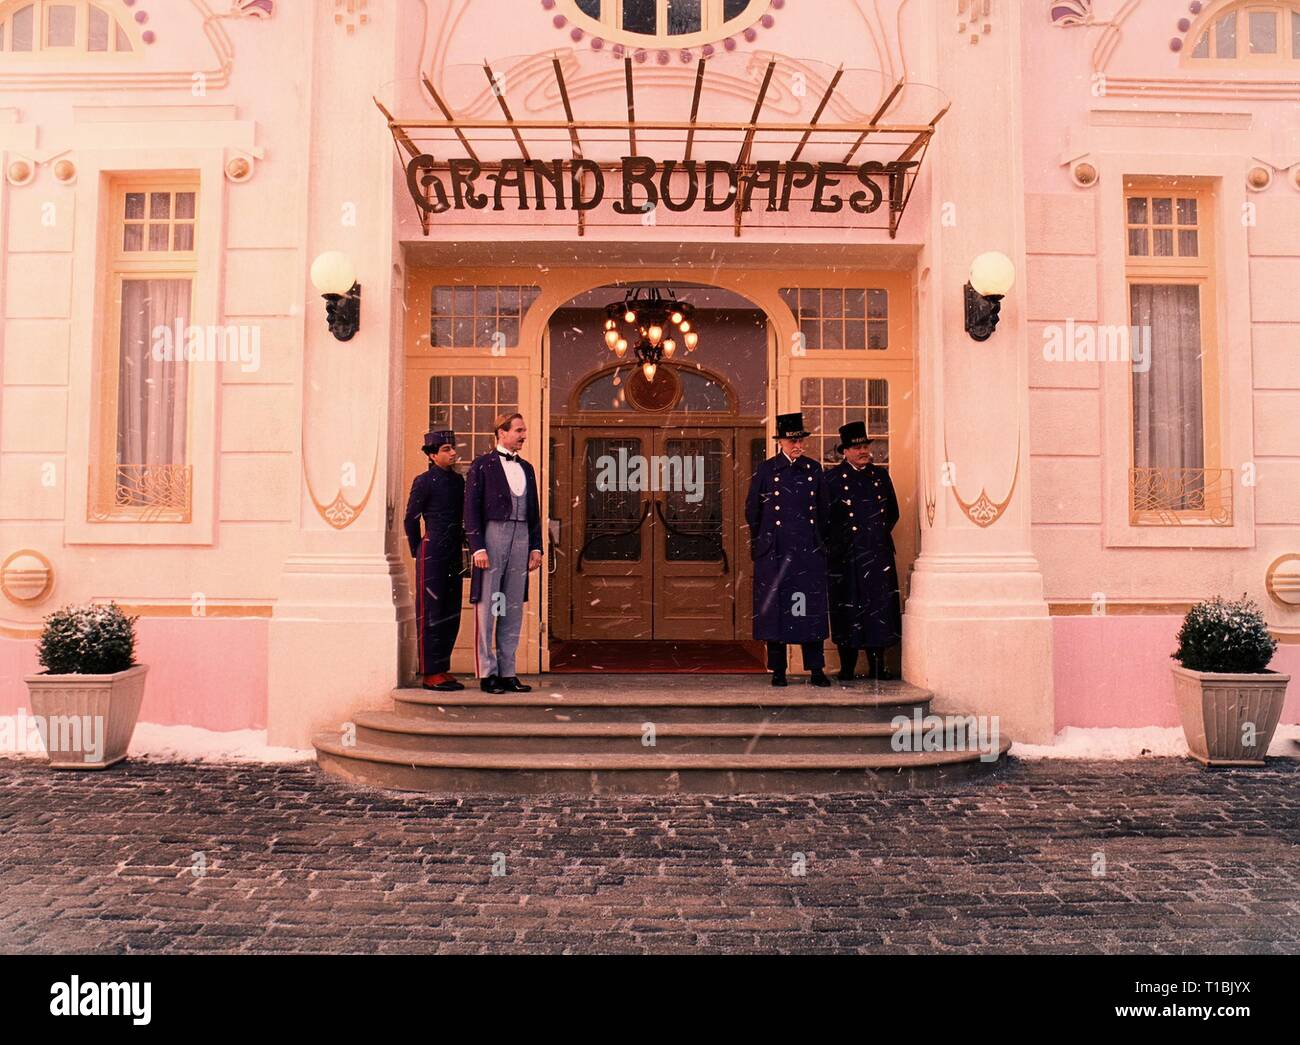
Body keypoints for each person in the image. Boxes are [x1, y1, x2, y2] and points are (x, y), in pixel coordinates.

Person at [745, 412, 832, 687]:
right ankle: (779, 670)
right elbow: (753, 511)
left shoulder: (813, 469)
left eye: (800, 440)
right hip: (775, 552)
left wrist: (816, 542)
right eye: (792, 441)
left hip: (806, 553)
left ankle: (816, 669)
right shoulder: (767, 470)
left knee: (807, 610)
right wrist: (765, 541)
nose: (797, 445)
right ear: (780, 442)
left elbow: (824, 511)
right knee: (776, 613)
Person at [464, 412, 543, 694]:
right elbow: (471, 509)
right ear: (502, 432)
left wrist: (536, 546)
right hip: (493, 534)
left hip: (521, 535)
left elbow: (534, 511)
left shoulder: (527, 468)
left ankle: (508, 671)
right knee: (488, 605)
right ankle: (488, 673)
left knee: (512, 606)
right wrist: (478, 546)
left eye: (524, 430)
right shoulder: (482, 465)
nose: (523, 435)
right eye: (519, 430)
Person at [825, 420, 902, 681]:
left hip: (877, 555)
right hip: (845, 557)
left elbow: (892, 513)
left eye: (865, 446)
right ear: (845, 451)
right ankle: (847, 667)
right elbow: (825, 520)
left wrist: (874, 538)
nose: (863, 451)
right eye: (857, 447)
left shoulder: (880, 476)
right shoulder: (832, 479)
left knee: (877, 610)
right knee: (846, 610)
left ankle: (878, 666)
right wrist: (841, 545)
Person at [404, 429, 467, 692]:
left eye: (453, 448)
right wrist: (418, 549)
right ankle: (430, 672)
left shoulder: (459, 481)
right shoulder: (424, 481)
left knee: (451, 610)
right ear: (432, 455)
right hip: (432, 552)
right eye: (445, 449)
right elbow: (410, 519)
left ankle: (442, 667)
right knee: (431, 611)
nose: (452, 453)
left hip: (453, 551)